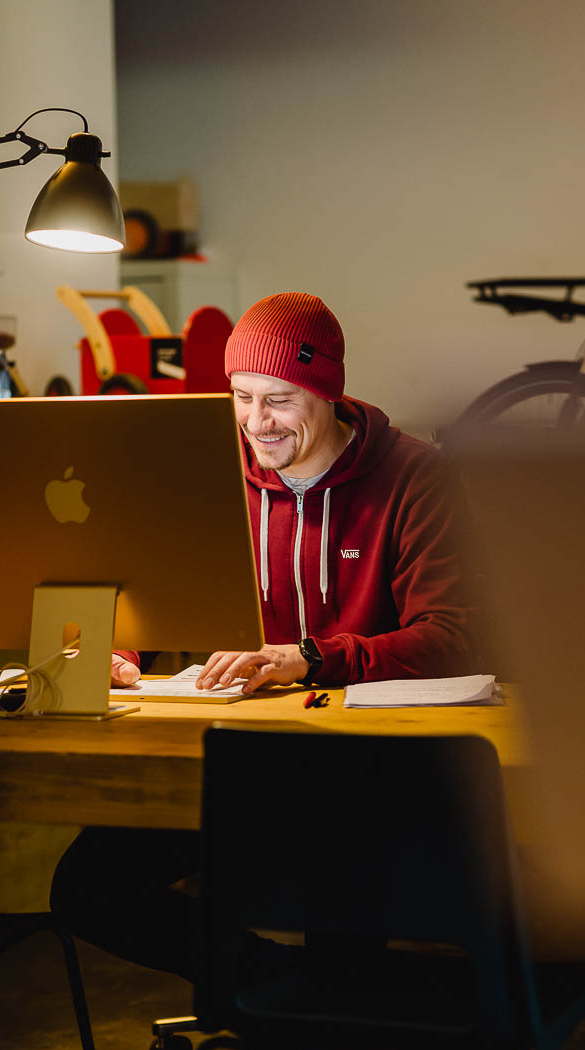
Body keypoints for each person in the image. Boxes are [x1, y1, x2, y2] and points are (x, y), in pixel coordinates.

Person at [51, 292, 478, 981]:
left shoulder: (415, 477)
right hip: (240, 761)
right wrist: (117, 652)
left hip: (370, 768)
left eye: (278, 400)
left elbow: (450, 638)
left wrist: (307, 658)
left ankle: (313, 1005)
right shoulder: (214, 472)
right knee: (86, 888)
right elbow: (158, 597)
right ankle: (278, 989)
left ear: (328, 392)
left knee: (339, 921)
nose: (256, 422)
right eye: (242, 397)